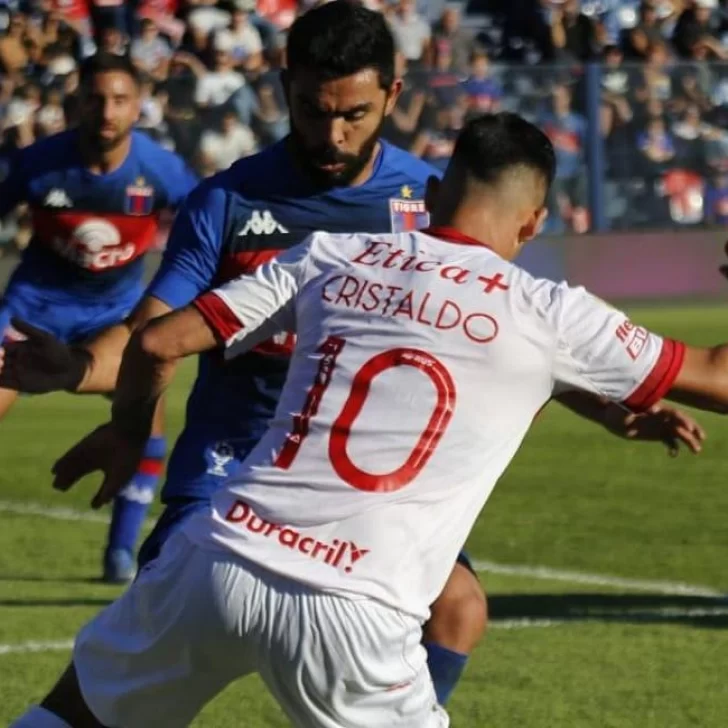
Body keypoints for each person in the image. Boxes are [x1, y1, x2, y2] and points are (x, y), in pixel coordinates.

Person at [0, 2, 702, 709]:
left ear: (393, 95)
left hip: (357, 477)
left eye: (355, 115)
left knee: (458, 607)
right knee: (180, 615)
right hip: (234, 464)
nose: (331, 135)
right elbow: (156, 328)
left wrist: (607, 409)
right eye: (312, 110)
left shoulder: (430, 200)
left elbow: (498, 334)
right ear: (284, 89)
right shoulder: (228, 199)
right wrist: (85, 369)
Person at [0, 51, 199, 584]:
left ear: (139, 107)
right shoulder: (37, 163)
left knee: (146, 413)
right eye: (94, 99)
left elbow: (204, 227)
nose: (106, 111)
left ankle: (119, 555)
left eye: (119, 99)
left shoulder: (160, 171)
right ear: (75, 105)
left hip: (114, 314)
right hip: (30, 309)